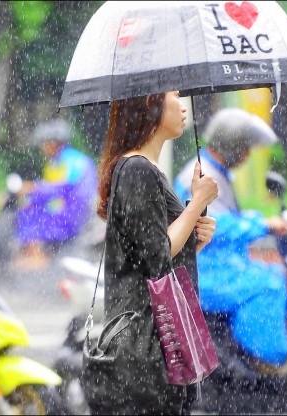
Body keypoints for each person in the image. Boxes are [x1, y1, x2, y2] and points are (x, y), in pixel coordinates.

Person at [90, 91, 218, 415]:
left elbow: (153, 253)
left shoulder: (146, 170)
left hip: (157, 347)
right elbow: (158, 260)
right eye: (174, 95)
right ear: (150, 103)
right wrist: (198, 204)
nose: (182, 104)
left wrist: (194, 236)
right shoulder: (136, 169)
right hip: (144, 350)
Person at [174, 108, 287, 368]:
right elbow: (217, 226)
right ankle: (266, 363)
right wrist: (263, 224)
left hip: (217, 266)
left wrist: (257, 220)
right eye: (246, 147)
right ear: (233, 146)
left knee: (277, 275)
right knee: (268, 286)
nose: (248, 154)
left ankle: (248, 356)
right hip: (205, 275)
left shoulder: (212, 172)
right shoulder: (200, 177)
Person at [15, 118, 98, 269]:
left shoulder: (71, 161)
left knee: (28, 211)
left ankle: (37, 256)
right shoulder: (58, 161)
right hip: (67, 210)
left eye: (44, 143)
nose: (42, 148)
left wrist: (32, 188)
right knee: (30, 204)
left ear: (54, 143)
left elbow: (62, 188)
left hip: (73, 214)